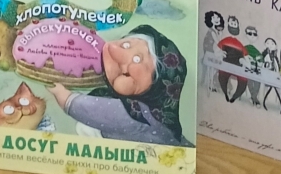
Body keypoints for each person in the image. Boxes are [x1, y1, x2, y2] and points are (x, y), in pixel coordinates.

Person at [50, 27, 189, 146]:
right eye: (126, 45)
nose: (120, 56)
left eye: (138, 59)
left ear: (158, 82)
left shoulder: (137, 113)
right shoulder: (118, 99)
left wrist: (57, 89)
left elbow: (78, 106)